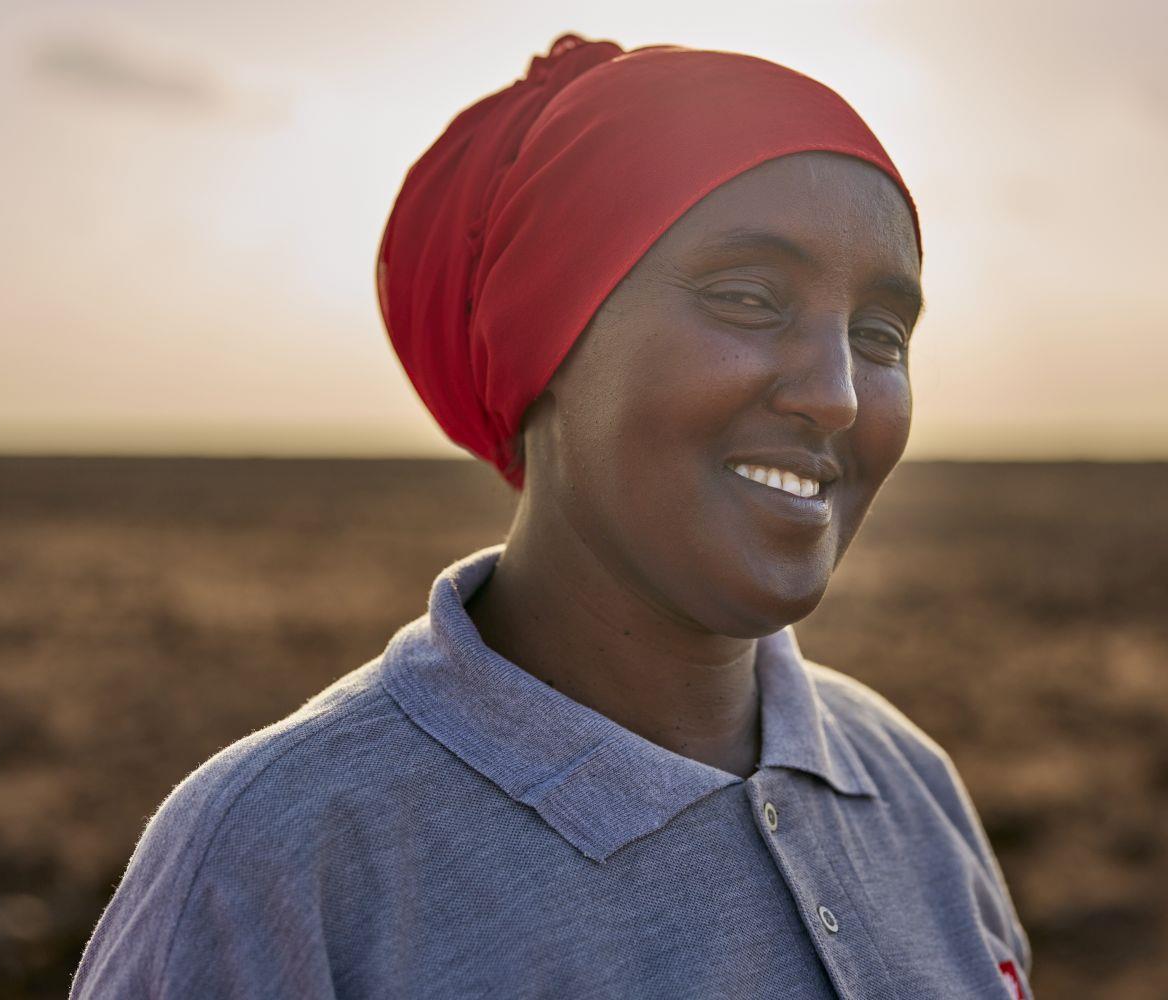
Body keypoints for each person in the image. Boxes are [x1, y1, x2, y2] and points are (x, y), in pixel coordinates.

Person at [69, 33, 1032, 1000]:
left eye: (879, 334)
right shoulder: (280, 863)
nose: (838, 396)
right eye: (748, 298)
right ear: (546, 339)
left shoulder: (907, 786)